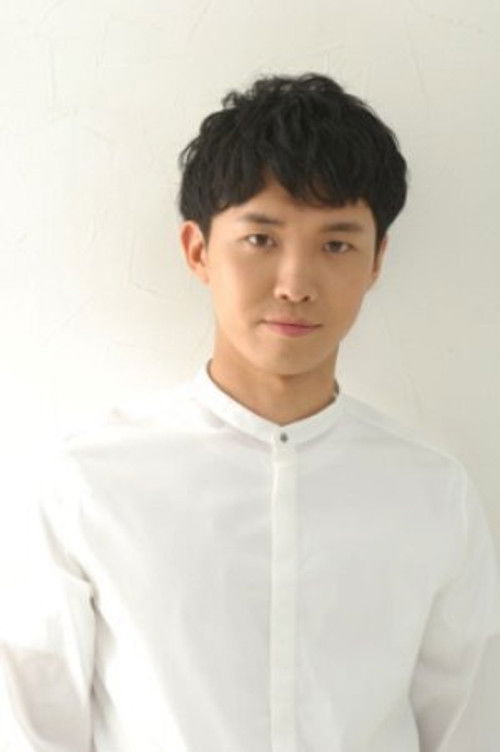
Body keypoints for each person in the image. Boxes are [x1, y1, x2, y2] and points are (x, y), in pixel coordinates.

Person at [1, 72, 500, 752]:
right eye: (261, 239)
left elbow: (470, 730)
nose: (295, 284)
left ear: (377, 260)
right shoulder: (87, 482)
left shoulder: (434, 495)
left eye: (336, 244)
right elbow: (31, 730)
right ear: (198, 250)